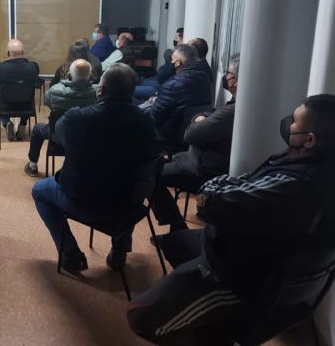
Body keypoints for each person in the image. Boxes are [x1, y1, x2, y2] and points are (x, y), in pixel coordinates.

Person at [127, 95, 335, 346]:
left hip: (240, 277)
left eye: (295, 121)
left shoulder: (293, 185)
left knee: (140, 317)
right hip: (249, 249)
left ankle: (216, 330)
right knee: (174, 243)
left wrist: (223, 183)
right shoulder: (316, 166)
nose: (288, 123)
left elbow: (209, 200)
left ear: (310, 140)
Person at [32, 64, 157, 272]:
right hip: (127, 205)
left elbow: (59, 138)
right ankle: (120, 250)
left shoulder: (76, 118)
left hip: (80, 201)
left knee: (38, 191)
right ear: (132, 92)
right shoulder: (146, 121)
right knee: (130, 178)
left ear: (101, 90)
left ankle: (70, 253)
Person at [151, 54, 240, 232]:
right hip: (198, 156)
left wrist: (199, 118)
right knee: (158, 163)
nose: (225, 76)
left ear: (236, 80)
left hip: (204, 168)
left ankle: (178, 227)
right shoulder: (207, 81)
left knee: (150, 176)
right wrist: (202, 117)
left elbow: (190, 134)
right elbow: (210, 115)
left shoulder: (231, 112)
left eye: (228, 73)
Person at [24, 59, 97, 177]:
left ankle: (32, 165)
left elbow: (47, 102)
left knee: (37, 129)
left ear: (69, 75)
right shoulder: (97, 92)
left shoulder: (55, 90)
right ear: (90, 75)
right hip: (88, 137)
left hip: (58, 136)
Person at [148, 44, 212, 149]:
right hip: (194, 131)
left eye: (172, 60)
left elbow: (154, 116)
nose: (170, 63)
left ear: (177, 63)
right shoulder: (204, 78)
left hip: (172, 134)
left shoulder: (172, 84)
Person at [0, 38, 40, 141]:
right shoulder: (33, 67)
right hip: (27, 106)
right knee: (28, 96)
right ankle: (23, 123)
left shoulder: (1, 68)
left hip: (6, 106)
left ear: (8, 53)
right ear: (23, 52)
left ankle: (7, 122)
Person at [134, 27, 184, 101]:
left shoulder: (180, 58)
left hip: (164, 88)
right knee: (143, 82)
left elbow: (162, 77)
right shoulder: (175, 54)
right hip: (165, 84)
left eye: (177, 38)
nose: (175, 41)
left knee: (131, 90)